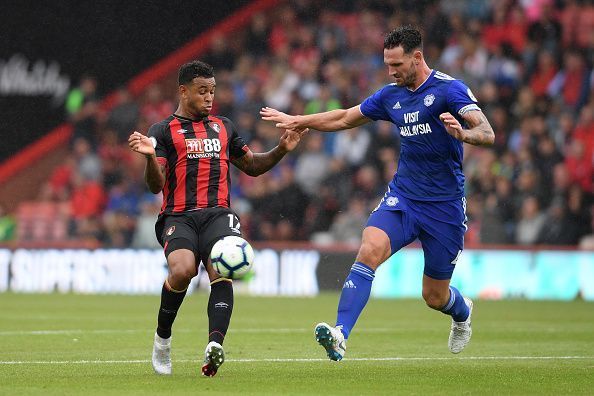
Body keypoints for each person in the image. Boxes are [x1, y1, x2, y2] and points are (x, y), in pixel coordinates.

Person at [261, 26, 494, 361]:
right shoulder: (391, 95)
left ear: (417, 57)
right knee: (369, 247)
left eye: (396, 64)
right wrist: (299, 120)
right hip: (404, 197)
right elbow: (343, 118)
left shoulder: (448, 90)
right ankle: (341, 334)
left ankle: (462, 312)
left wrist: (465, 134)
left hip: (444, 207)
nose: (390, 71)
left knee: (433, 295)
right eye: (387, 64)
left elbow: (487, 131)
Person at [129, 60, 306, 376]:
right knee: (182, 271)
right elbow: (155, 185)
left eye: (212, 91)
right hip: (178, 216)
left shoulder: (224, 127)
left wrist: (281, 150)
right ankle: (162, 339)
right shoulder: (162, 131)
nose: (209, 97)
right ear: (183, 92)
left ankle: (215, 346)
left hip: (218, 215)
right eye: (202, 91)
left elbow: (251, 166)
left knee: (223, 268)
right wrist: (148, 158)